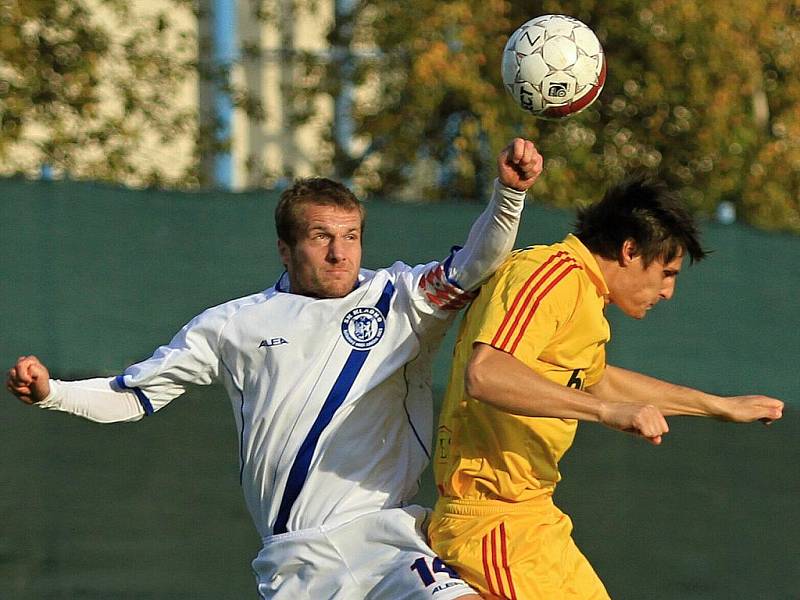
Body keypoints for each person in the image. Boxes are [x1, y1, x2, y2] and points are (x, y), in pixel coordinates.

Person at [6, 139, 544, 599]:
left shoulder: (401, 298)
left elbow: (477, 261)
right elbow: (133, 396)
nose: (340, 253)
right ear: (285, 250)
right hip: (297, 560)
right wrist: (53, 392)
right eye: (320, 238)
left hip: (387, 535)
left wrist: (510, 195)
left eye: (351, 236)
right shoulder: (232, 325)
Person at [428, 174, 785, 599]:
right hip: (492, 524)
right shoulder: (549, 273)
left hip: (536, 519)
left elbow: (597, 381)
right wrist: (605, 412)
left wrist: (716, 406)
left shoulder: (584, 294)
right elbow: (486, 374)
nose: (669, 292)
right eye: (666, 273)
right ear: (630, 250)